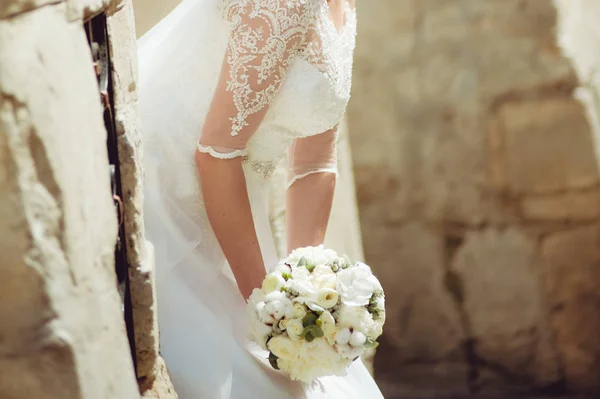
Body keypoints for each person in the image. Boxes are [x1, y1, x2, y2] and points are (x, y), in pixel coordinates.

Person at [138, 0, 384, 397]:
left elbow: (315, 162)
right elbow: (215, 156)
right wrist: (270, 310)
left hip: (234, 201)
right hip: (172, 204)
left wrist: (306, 286)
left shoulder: (345, 7)